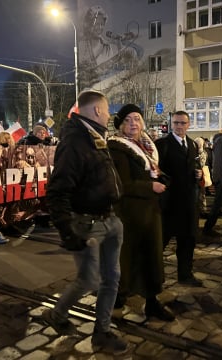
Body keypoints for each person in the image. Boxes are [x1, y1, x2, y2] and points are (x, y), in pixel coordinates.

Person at [44, 90, 128, 354]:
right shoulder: (75, 142)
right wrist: (67, 231)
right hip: (88, 224)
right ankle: (57, 315)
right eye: (107, 111)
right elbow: (57, 191)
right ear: (96, 111)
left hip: (110, 219)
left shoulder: (94, 137)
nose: (109, 116)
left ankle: (101, 332)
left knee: (112, 278)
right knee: (89, 280)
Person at [108, 104, 175, 321]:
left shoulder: (146, 145)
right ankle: (117, 299)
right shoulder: (117, 148)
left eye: (136, 119)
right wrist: (150, 187)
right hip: (130, 214)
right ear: (120, 125)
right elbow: (122, 184)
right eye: (127, 120)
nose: (133, 124)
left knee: (151, 259)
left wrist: (160, 179)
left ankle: (152, 302)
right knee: (127, 259)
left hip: (150, 212)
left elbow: (151, 171)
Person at [156, 110, 203, 287]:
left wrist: (197, 173)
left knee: (188, 241)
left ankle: (185, 273)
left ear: (188, 124)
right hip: (169, 204)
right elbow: (156, 170)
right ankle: (150, 278)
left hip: (189, 203)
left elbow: (195, 165)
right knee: (160, 242)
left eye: (183, 123)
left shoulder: (191, 144)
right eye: (176, 123)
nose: (179, 126)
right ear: (171, 124)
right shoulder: (162, 144)